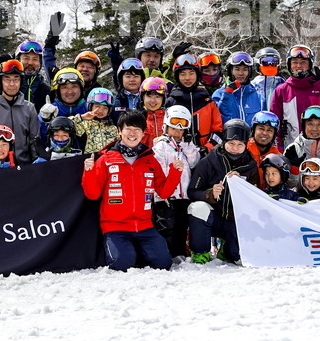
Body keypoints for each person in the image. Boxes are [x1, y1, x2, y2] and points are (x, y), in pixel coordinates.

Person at [82, 109, 183, 271]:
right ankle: (129, 252)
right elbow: (92, 194)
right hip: (115, 227)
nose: (132, 133)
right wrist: (89, 172)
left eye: (137, 129)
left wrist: (175, 172)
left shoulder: (150, 160)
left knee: (163, 263)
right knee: (122, 264)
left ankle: (140, 251)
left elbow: (164, 192)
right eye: (128, 128)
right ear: (120, 131)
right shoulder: (106, 159)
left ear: (143, 133)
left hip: (144, 226)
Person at [186, 119, 259, 264]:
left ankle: (227, 248)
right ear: (224, 142)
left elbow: (255, 198)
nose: (235, 148)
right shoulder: (208, 162)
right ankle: (200, 252)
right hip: (214, 219)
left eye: (240, 145)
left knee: (236, 257)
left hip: (235, 221)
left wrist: (242, 186)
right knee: (197, 208)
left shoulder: (251, 166)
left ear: (246, 145)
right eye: (231, 143)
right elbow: (192, 192)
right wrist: (210, 194)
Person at [151, 105, 201, 258]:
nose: (177, 133)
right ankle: (165, 254)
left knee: (181, 226)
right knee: (166, 226)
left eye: (181, 129)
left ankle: (179, 253)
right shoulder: (161, 146)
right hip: (166, 196)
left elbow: (194, 162)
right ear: (166, 126)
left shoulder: (186, 146)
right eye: (174, 128)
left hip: (183, 196)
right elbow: (158, 169)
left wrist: (187, 146)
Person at [269, 45, 320, 145]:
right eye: (295, 62)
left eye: (303, 62)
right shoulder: (282, 91)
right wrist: (281, 149)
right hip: (293, 149)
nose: (298, 66)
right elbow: (274, 125)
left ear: (310, 64)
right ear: (289, 65)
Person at [0, 60, 40, 165]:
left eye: (16, 79)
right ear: (0, 82)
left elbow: (34, 141)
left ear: (21, 82)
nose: (12, 84)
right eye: (7, 79)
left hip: (23, 167)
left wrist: (36, 164)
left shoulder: (29, 108)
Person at [167, 53, 224, 150]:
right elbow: (165, 132)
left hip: (206, 156)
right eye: (182, 74)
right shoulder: (171, 102)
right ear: (177, 77)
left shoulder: (208, 101)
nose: (187, 78)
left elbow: (218, 130)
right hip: (178, 156)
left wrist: (207, 148)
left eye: (191, 73)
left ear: (197, 75)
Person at [213, 51, 265, 124]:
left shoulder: (259, 98)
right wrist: (227, 95)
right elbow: (218, 121)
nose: (241, 73)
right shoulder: (219, 94)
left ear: (249, 72)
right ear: (230, 71)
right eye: (237, 69)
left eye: (245, 69)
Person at [283, 105, 320, 174]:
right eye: (310, 124)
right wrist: (294, 170)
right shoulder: (293, 149)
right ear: (304, 126)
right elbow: (286, 182)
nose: (314, 129)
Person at [72, 87, 120, 154]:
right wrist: (82, 117)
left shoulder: (113, 128)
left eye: (105, 108)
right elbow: (65, 124)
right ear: (90, 106)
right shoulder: (84, 124)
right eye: (97, 106)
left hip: (108, 160)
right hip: (90, 160)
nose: (100, 111)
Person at [138, 76, 170, 146]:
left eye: (157, 97)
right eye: (149, 96)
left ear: (163, 99)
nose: (153, 101)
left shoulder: (169, 118)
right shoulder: (138, 119)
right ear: (142, 97)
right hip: (146, 156)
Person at [251, 47, 285, 111]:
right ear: (258, 65)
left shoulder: (284, 86)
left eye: (274, 62)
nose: (270, 65)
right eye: (265, 62)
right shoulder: (251, 87)